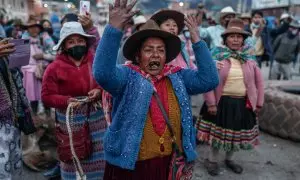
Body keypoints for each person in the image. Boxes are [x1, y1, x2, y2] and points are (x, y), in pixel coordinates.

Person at [93, 0, 219, 179]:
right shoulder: (127, 76)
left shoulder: (178, 76)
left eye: (160, 50)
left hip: (168, 162)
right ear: (138, 54)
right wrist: (113, 29)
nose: (155, 55)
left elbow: (209, 80)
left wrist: (197, 40)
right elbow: (103, 74)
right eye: (148, 50)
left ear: (166, 56)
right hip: (132, 166)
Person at [197, 18, 264, 176]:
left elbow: (259, 82)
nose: (235, 39)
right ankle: (212, 160)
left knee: (236, 135)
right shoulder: (216, 55)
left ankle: (229, 159)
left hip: (242, 103)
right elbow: (208, 80)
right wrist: (211, 104)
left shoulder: (249, 57)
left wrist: (259, 103)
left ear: (243, 39)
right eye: (232, 36)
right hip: (221, 103)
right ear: (225, 39)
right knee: (217, 136)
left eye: (239, 36)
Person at [41, 21, 106, 180]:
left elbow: (104, 81)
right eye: (71, 42)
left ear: (86, 42)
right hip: (70, 123)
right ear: (64, 45)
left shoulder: (95, 61)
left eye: (80, 40)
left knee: (100, 160)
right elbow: (47, 96)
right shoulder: (54, 68)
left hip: (97, 121)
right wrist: (67, 101)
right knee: (73, 158)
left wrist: (98, 90)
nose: (76, 44)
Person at [0, 37, 32, 179]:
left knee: (12, 165)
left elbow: (17, 81)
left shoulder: (3, 46)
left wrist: (25, 109)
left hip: (11, 120)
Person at [21, 16, 55, 115]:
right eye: (31, 27)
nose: (34, 29)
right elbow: (19, 59)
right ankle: (35, 116)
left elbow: (55, 53)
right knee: (32, 96)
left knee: (46, 95)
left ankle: (48, 116)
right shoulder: (23, 39)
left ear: (39, 28)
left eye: (36, 26)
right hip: (29, 72)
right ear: (27, 28)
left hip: (44, 71)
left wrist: (43, 56)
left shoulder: (45, 37)